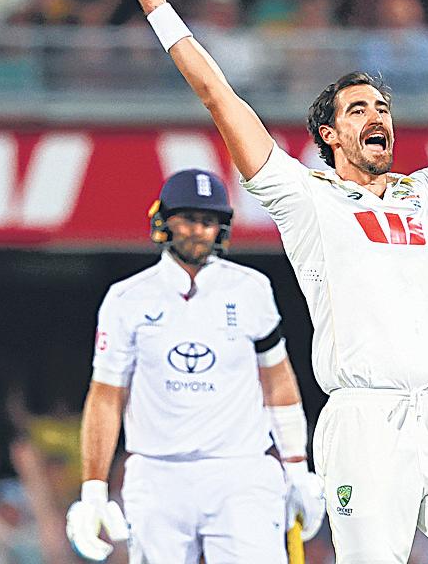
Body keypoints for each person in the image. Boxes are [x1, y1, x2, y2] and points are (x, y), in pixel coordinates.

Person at [98, 0, 428, 562]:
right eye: (358, 108)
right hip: (366, 425)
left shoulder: (420, 196)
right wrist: (159, 10)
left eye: (382, 107)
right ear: (330, 134)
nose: (376, 115)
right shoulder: (305, 198)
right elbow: (219, 97)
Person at [65, 169, 324, 563]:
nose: (198, 231)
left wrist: (297, 467)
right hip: (157, 472)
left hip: (240, 471)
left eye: (208, 221)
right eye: (188, 219)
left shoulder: (252, 289)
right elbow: (105, 397)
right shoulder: (126, 300)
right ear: (163, 219)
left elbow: (278, 383)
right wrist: (94, 490)